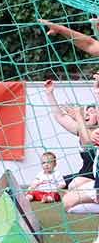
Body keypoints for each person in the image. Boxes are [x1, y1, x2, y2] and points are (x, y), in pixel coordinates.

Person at [43, 78, 99, 210]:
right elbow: (60, 117)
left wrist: (96, 91)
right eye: (85, 112)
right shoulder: (81, 129)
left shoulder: (94, 134)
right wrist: (50, 94)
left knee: (73, 185)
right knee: (58, 183)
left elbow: (88, 141)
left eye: (92, 111)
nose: (87, 113)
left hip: (92, 178)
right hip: (86, 175)